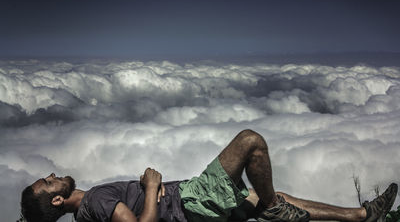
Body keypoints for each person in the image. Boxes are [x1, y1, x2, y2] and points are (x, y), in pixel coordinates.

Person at [20, 129, 398, 222]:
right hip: (190, 201)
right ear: (57, 200)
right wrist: (152, 187)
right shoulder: (94, 200)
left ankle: (362, 215)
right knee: (251, 142)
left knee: (267, 197)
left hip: (191, 200)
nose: (52, 176)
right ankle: (275, 211)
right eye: (48, 182)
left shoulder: (89, 210)